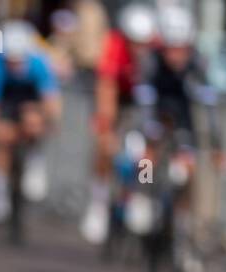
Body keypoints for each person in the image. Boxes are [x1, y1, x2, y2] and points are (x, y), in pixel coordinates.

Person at [83, 2, 157, 245]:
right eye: (134, 42)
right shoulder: (114, 45)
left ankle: (141, 194)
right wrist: (107, 126)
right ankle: (99, 202)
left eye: (142, 43)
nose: (138, 48)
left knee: (147, 152)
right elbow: (106, 87)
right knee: (104, 146)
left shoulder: (157, 47)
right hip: (119, 96)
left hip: (146, 98)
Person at [0, 18, 61, 222]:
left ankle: (33, 158)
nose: (15, 64)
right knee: (1, 140)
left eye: (19, 59)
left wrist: (47, 124)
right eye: (10, 59)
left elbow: (52, 102)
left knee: (32, 119)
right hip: (5, 101)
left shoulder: (40, 64)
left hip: (29, 102)